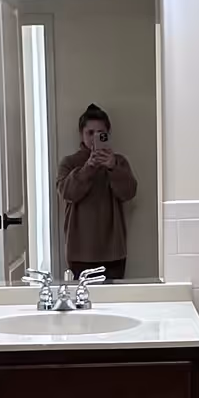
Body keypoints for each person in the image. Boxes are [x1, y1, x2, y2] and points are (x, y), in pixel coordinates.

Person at [56, 103, 138, 281]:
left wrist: (113, 167)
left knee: (113, 304)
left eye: (99, 133)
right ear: (81, 134)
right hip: (80, 252)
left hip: (113, 252)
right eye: (89, 133)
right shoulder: (69, 163)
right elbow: (67, 193)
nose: (94, 138)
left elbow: (129, 193)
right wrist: (88, 168)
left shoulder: (119, 161)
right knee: (82, 304)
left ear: (107, 134)